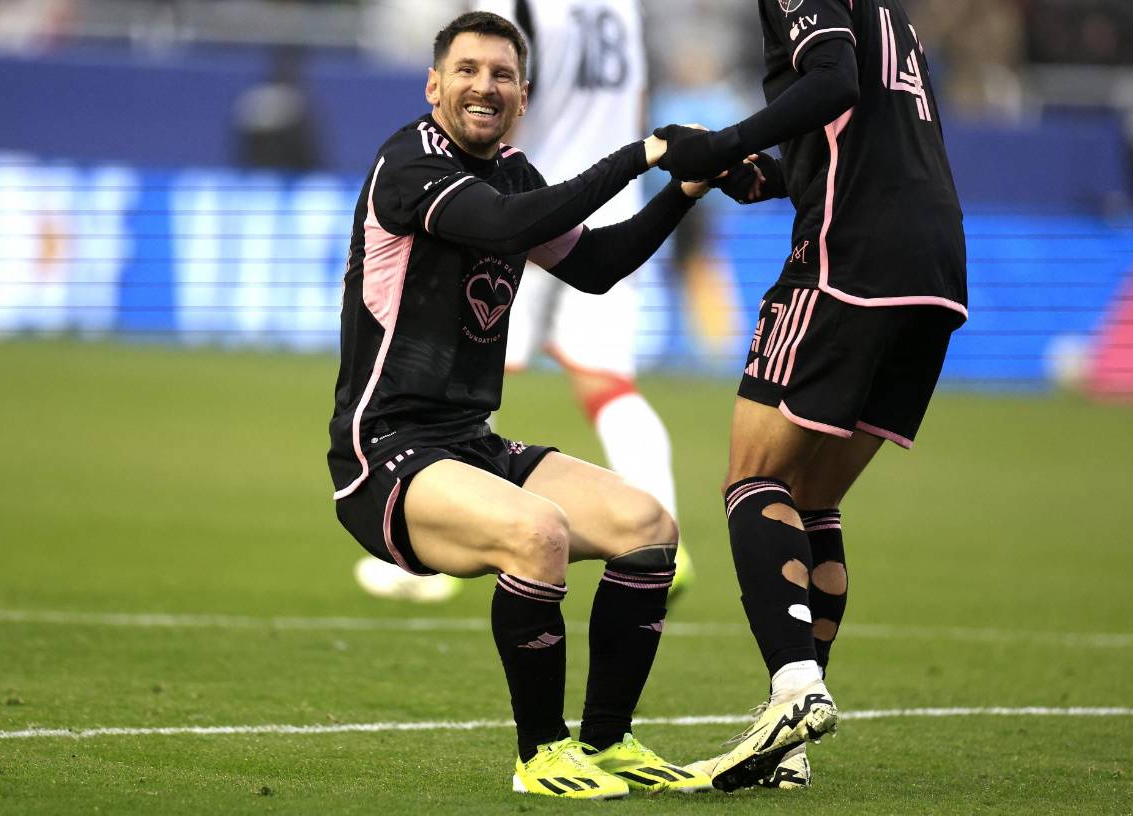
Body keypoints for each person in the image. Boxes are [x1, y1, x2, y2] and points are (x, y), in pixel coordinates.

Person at [327, 11, 714, 799]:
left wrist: (685, 189)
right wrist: (642, 151)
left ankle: (607, 742)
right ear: (434, 84)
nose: (484, 85)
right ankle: (541, 755)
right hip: (384, 453)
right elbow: (508, 224)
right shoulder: (409, 164)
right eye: (467, 70)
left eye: (502, 75)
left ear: (523, 96)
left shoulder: (512, 171)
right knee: (537, 532)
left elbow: (597, 264)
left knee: (649, 528)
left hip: (469, 443)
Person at [653, 0, 969, 792]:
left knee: (752, 479)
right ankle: (789, 741)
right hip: (933, 269)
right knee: (813, 496)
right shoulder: (889, 11)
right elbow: (834, 139)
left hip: (846, 263)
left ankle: (795, 688)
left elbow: (829, 83)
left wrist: (724, 136)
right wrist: (735, 169)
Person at [354, 0, 696, 605]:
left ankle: (430, 539)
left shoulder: (518, 5)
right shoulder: (622, 6)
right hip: (576, 196)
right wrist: (648, 163)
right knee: (607, 383)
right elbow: (638, 94)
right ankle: (453, 528)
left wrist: (673, 182)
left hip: (527, 196)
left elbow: (484, 106)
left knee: (464, 353)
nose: (486, 83)